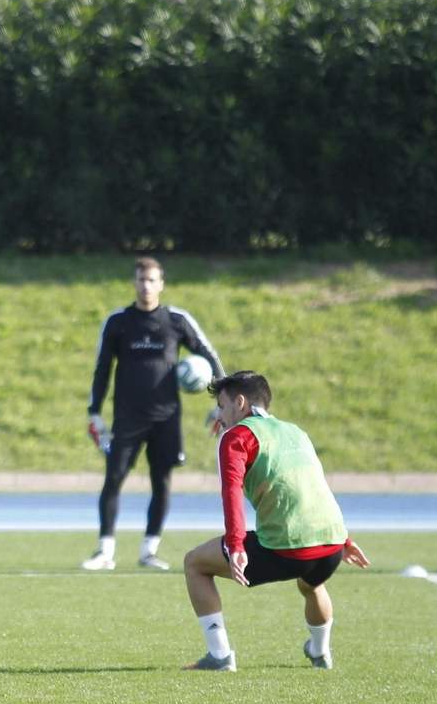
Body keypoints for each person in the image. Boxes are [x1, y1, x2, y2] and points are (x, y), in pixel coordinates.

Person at [180, 370, 368, 672]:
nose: (220, 414)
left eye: (222, 405)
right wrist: (343, 540)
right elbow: (314, 485)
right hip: (330, 543)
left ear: (240, 402)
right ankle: (320, 653)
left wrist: (236, 545)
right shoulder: (295, 431)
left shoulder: (236, 437)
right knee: (312, 583)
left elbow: (231, 492)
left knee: (194, 564)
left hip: (284, 548)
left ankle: (219, 656)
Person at [83, 257, 224, 572]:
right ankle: (105, 551)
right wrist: (94, 413)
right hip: (127, 417)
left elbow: (210, 356)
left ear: (161, 284)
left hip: (166, 417)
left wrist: (221, 401)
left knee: (162, 481)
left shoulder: (176, 320)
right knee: (114, 478)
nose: (146, 286)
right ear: (134, 283)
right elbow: (101, 369)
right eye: (141, 280)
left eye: (152, 280)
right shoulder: (118, 322)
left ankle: (149, 550)